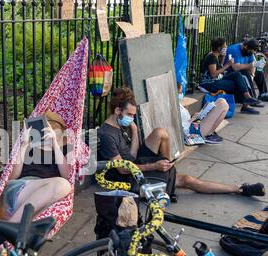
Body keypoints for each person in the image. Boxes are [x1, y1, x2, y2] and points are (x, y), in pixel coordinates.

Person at [97, 87, 265, 197]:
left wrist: (133, 130)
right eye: (129, 115)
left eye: (133, 115)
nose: (131, 118)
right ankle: (239, 189)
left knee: (160, 132)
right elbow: (122, 169)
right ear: (118, 110)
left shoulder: (120, 126)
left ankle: (168, 168)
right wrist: (154, 167)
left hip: (135, 166)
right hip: (127, 179)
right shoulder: (106, 134)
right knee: (189, 181)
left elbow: (131, 156)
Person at [0, 111, 72, 223]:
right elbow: (12, 177)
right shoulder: (28, 147)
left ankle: (14, 227)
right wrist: (24, 145)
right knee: (63, 185)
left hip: (44, 193)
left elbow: (67, 176)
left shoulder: (63, 150)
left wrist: (55, 145)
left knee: (64, 185)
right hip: (21, 188)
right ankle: (13, 225)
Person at [199, 37, 263, 115]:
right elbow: (213, 74)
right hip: (209, 83)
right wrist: (228, 65)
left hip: (216, 80)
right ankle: (247, 101)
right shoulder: (211, 57)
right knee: (236, 82)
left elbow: (220, 69)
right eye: (224, 46)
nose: (226, 48)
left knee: (237, 76)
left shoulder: (216, 56)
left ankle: (247, 100)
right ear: (219, 48)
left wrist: (223, 57)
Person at [224, 38, 268, 104]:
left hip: (242, 70)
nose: (251, 53)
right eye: (250, 51)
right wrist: (253, 65)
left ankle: (263, 93)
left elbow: (253, 64)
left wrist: (252, 74)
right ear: (245, 46)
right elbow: (235, 67)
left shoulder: (249, 51)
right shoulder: (234, 50)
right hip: (231, 72)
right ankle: (252, 97)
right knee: (245, 72)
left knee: (259, 71)